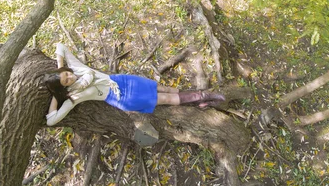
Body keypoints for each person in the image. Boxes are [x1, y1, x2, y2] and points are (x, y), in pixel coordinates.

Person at [45, 43, 225, 126]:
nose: (70, 77)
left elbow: (60, 46)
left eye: (67, 75)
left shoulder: (75, 68)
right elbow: (51, 120)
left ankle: (198, 100)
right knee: (164, 98)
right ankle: (204, 96)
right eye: (66, 81)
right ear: (64, 87)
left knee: (161, 87)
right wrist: (57, 95)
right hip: (121, 97)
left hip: (121, 80)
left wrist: (60, 69)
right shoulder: (72, 96)